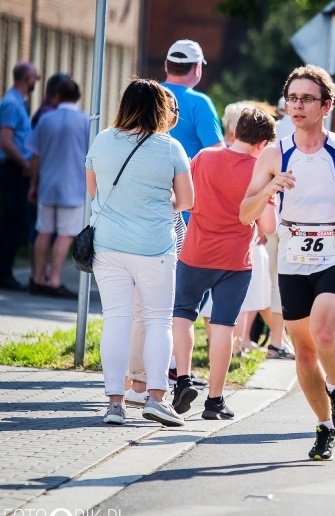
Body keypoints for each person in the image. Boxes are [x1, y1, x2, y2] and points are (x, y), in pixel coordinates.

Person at [240, 65, 335, 460]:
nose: (298, 106)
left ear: (326, 106)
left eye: (307, 99)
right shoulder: (275, 153)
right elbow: (244, 212)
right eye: (293, 99)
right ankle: (324, 426)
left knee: (323, 334)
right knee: (303, 352)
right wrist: (270, 186)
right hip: (292, 255)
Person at [85, 78, 194, 426]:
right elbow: (187, 200)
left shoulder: (102, 140)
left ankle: (114, 404)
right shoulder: (170, 148)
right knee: (158, 319)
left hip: (107, 246)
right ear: (160, 109)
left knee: (115, 321)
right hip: (155, 246)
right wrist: (160, 206)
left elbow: (93, 192)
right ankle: (156, 398)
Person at [172, 108, 277, 420]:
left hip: (195, 251)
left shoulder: (204, 157)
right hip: (235, 259)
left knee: (182, 315)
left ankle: (182, 379)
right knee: (223, 327)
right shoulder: (260, 171)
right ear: (263, 143)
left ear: (236, 132)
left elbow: (186, 197)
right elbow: (268, 226)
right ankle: (214, 401)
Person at [27, 79, 89, 298]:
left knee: (43, 231)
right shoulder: (85, 121)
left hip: (47, 184)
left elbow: (35, 156)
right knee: (65, 235)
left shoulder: (46, 119)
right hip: (74, 187)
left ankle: (36, 278)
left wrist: (34, 184)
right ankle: (54, 280)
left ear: (57, 94)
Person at [162, 38, 224, 224]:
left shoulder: (147, 95)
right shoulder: (200, 103)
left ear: (166, 65)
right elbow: (218, 155)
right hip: (187, 209)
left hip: (146, 199)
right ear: (197, 68)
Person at [0, 62, 38, 291]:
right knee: (16, 222)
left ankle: (5, 271)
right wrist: (25, 163)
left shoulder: (17, 102)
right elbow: (5, 140)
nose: (36, 81)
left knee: (16, 222)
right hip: (12, 168)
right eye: (35, 77)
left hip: (16, 168)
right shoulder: (12, 104)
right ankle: (4, 273)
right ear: (27, 79)